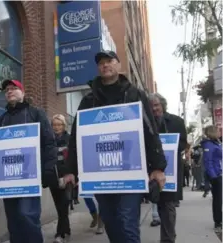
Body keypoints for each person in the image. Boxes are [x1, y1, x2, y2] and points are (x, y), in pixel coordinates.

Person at [67, 51, 167, 243]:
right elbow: (76, 138)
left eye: (110, 61)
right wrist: (71, 170)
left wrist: (157, 167)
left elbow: (150, 131)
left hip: (130, 172)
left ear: (119, 65)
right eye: (101, 63)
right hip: (100, 174)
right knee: (111, 223)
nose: (105, 65)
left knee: (127, 223)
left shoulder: (135, 94)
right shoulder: (89, 101)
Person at [0, 80, 75, 243]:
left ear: (23, 92)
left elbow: (49, 143)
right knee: (14, 221)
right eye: (7, 90)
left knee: (27, 216)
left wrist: (48, 169)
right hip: (7, 179)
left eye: (14, 88)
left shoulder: (36, 114)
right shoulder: (1, 120)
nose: (9, 91)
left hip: (29, 177)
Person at [149, 93, 188, 243]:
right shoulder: (146, 122)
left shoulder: (176, 122)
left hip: (170, 169)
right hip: (152, 170)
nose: (154, 109)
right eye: (151, 106)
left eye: (157, 105)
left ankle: (168, 239)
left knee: (168, 207)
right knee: (158, 204)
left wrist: (170, 146)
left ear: (163, 105)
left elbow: (183, 143)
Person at [50, 114, 71, 243]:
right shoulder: (49, 140)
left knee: (64, 205)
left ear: (64, 126)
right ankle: (67, 228)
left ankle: (60, 234)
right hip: (53, 177)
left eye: (59, 125)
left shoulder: (69, 139)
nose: (57, 127)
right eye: (54, 125)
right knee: (59, 207)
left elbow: (72, 158)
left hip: (66, 177)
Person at [201, 125, 222, 230]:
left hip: (219, 173)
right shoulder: (208, 145)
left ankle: (219, 219)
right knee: (217, 199)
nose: (220, 132)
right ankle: (218, 221)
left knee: (219, 199)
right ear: (213, 132)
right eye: (218, 131)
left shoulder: (216, 143)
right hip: (216, 176)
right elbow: (208, 162)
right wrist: (214, 176)